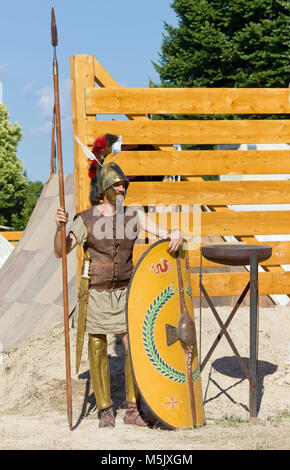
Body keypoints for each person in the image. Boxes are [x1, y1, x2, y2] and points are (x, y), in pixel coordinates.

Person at [54, 135, 184, 428]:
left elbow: (162, 231)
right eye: (117, 185)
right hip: (97, 294)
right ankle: (104, 409)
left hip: (128, 293)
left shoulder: (133, 216)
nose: (122, 188)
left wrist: (174, 232)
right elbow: (62, 250)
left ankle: (132, 409)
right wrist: (59, 228)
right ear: (105, 189)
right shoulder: (85, 219)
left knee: (134, 347)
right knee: (98, 347)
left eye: (124, 185)